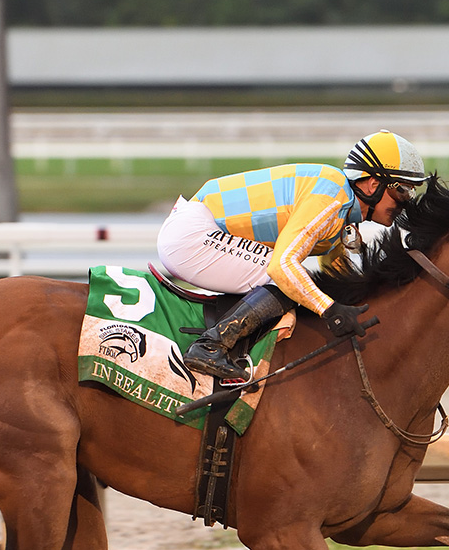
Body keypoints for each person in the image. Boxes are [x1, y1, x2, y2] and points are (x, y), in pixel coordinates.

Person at [155, 129, 428, 380]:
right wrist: (330, 310)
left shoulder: (341, 210)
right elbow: (282, 265)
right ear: (372, 185)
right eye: (402, 190)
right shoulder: (332, 197)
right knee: (289, 279)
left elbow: (336, 273)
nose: (405, 200)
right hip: (193, 235)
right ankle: (210, 346)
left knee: (300, 283)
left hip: (197, 231)